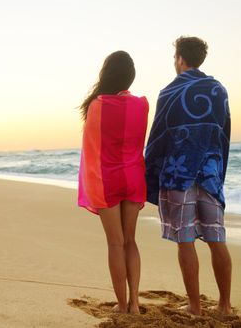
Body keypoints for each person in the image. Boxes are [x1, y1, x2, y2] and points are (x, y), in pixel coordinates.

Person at [144, 36, 232, 316]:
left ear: (180, 59)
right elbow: (223, 135)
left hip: (178, 174)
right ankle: (224, 306)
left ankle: (195, 306)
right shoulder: (219, 90)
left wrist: (149, 177)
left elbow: (157, 139)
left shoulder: (169, 92)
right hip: (209, 174)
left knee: (186, 241)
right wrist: (219, 173)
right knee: (217, 239)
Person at [78, 51, 149, 314]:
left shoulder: (97, 105)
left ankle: (121, 304)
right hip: (133, 178)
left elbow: (93, 152)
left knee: (115, 243)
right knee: (130, 240)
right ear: (130, 77)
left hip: (108, 181)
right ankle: (134, 304)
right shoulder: (142, 104)